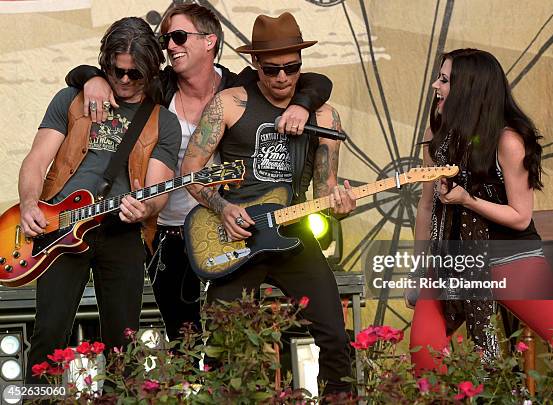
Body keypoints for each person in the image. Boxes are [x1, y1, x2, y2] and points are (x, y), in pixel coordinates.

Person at [64, 3, 333, 342]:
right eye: (166, 40)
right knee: (183, 336)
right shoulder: (156, 90)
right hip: (167, 232)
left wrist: (302, 103)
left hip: (227, 227)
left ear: (210, 40)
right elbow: (83, 74)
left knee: (231, 331)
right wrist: (92, 78)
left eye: (178, 36)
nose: (170, 46)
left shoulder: (240, 85)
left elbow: (314, 80)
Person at [181, 12, 355, 395]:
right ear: (255, 64)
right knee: (221, 344)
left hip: (293, 234)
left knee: (334, 336)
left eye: (292, 68)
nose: (282, 78)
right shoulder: (229, 103)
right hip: (237, 236)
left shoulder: (324, 115)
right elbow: (191, 169)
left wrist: (338, 203)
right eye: (272, 69)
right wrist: (223, 208)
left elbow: (325, 189)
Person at [408, 48, 553, 371]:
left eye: (444, 80)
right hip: (455, 262)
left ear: (468, 88)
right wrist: (421, 269)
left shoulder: (508, 141)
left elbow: (520, 217)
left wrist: (468, 200)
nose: (435, 87)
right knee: (424, 355)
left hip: (511, 259)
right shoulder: (435, 138)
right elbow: (426, 207)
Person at [21, 17, 181, 382]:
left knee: (124, 342)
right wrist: (30, 202)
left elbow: (159, 190)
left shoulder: (163, 123)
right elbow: (36, 159)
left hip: (121, 232)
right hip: (60, 228)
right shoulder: (72, 100)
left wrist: (147, 207)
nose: (124, 80)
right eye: (116, 71)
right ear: (105, 62)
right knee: (48, 335)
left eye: (134, 75)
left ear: (152, 70)